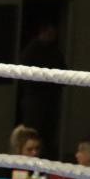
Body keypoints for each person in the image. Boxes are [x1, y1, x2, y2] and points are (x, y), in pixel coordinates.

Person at [17, 21, 65, 159]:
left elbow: (65, 71)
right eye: (49, 33)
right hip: (34, 102)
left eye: (54, 34)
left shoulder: (55, 51)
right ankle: (28, 165)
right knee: (32, 135)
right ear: (41, 32)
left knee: (49, 137)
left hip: (51, 101)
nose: (52, 37)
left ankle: (48, 168)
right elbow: (23, 78)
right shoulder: (30, 51)